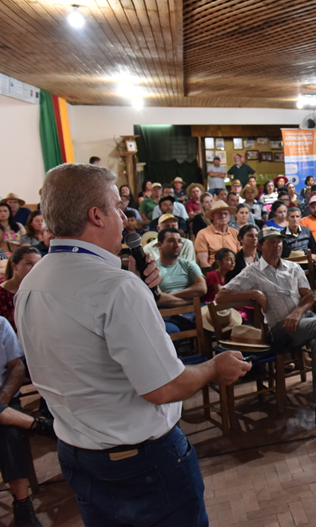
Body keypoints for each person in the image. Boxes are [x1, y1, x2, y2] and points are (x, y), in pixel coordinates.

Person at [15, 163, 250, 526]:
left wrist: (133, 282)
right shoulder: (117, 288)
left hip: (77, 451)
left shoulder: (32, 280)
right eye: (116, 207)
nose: (124, 218)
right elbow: (164, 387)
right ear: (96, 215)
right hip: (140, 460)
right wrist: (214, 368)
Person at [218, 226, 316, 427]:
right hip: (279, 330)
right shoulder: (252, 272)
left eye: (279, 241)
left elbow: (308, 297)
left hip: (304, 321)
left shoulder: (292, 267)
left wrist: (297, 313)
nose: (277, 245)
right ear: (260, 246)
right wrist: (253, 294)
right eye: (271, 241)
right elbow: (220, 296)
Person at [0, 316, 56, 527]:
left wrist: (3, 400)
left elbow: (17, 367)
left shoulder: (1, 325)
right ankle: (38, 425)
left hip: (3, 396)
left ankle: (22, 504)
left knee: (10, 434)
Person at [155, 228, 206, 316]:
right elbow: (159, 299)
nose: (176, 245)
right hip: (167, 311)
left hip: (194, 309)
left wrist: (170, 295)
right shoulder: (153, 269)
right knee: (171, 329)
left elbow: (202, 288)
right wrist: (190, 300)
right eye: (171, 241)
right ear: (159, 245)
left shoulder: (189, 264)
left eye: (179, 241)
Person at [0, 245, 40, 331]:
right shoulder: (2, 293)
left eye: (38, 264)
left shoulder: (40, 291)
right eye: (29, 263)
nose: (34, 268)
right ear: (14, 266)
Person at [194, 200, 240, 269]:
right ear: (213, 216)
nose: (223, 216)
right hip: (213, 271)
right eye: (219, 214)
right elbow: (203, 263)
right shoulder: (203, 234)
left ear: (229, 217)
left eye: (225, 214)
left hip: (234, 271)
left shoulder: (236, 233)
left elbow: (241, 257)